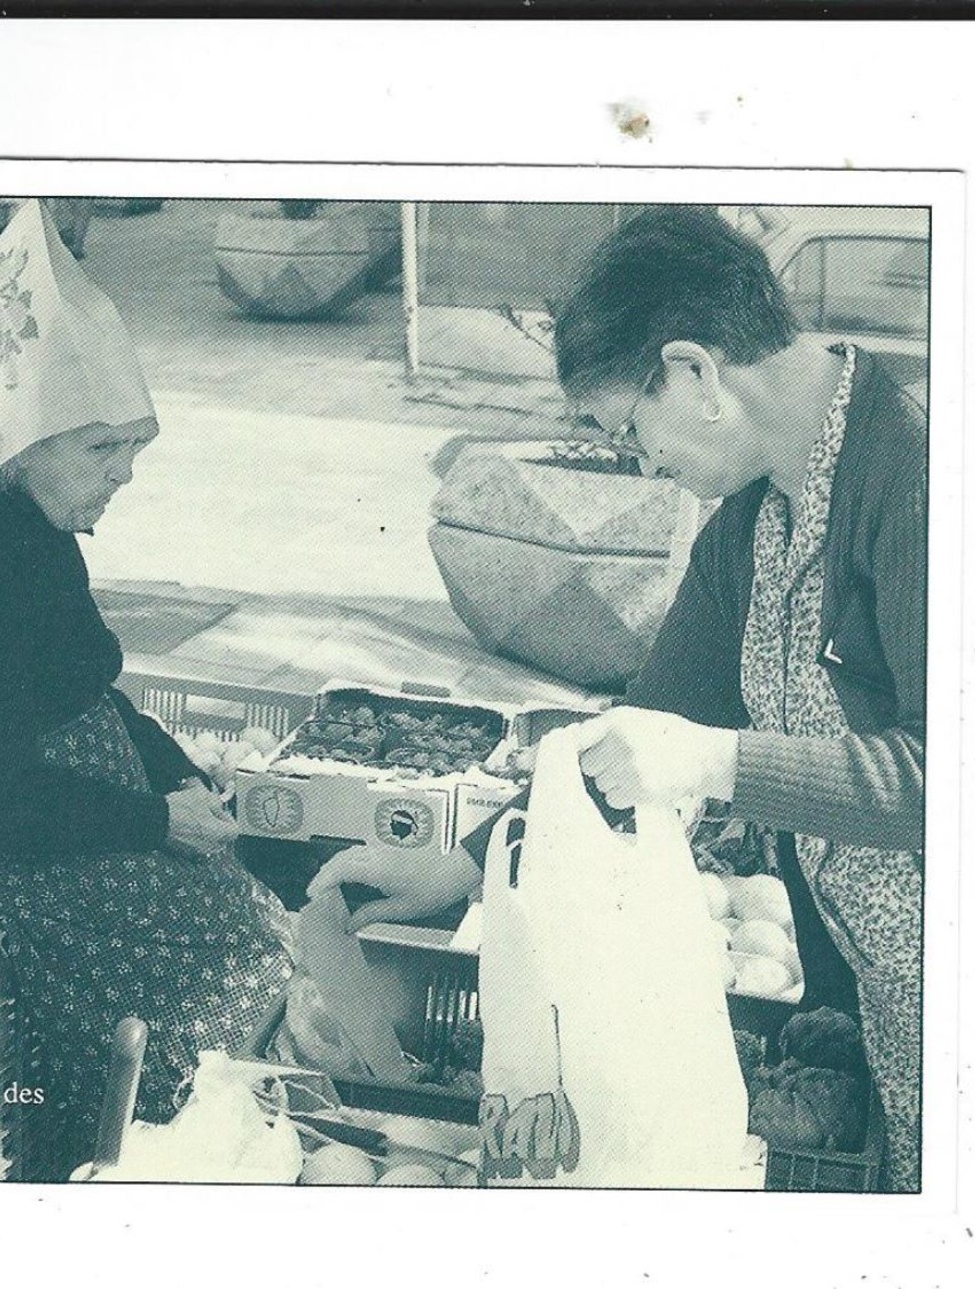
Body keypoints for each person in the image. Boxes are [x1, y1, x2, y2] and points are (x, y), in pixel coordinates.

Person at [313, 206, 926, 1191]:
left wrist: (713, 761)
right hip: (880, 993)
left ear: (691, 372)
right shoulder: (748, 527)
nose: (641, 461)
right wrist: (459, 867)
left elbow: (954, 778)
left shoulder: (915, 476)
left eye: (627, 427)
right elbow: (628, 734)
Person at [0, 201, 294, 1182]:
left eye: (128, 454)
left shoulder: (32, 525)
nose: (122, 479)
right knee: (229, 965)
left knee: (257, 911)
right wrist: (155, 821)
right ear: (34, 440)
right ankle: (138, 1161)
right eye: (103, 452)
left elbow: (91, 695)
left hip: (78, 810)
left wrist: (189, 789)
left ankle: (162, 1150)